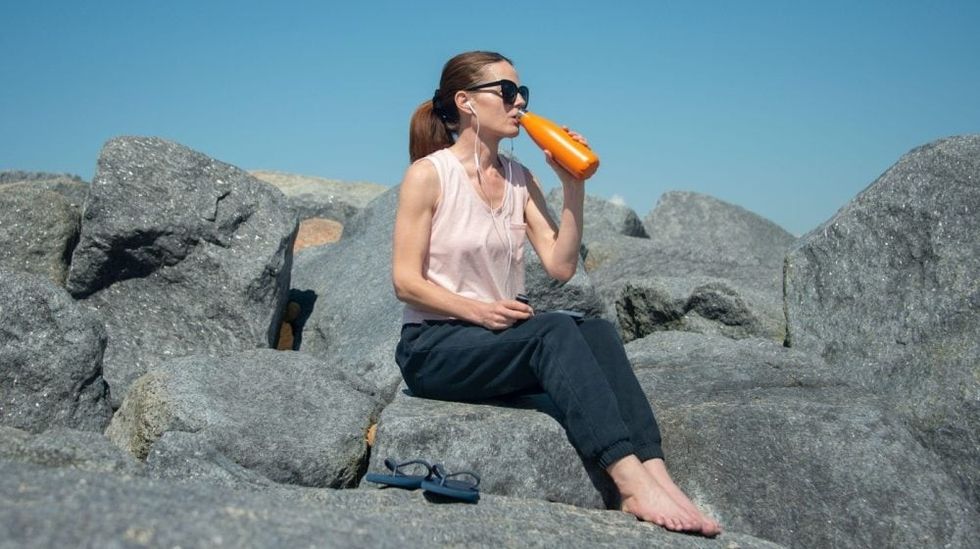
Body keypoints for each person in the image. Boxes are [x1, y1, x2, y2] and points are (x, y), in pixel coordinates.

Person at [390, 50, 721, 536]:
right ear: (465, 101)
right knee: (552, 332)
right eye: (507, 91)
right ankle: (629, 483)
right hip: (433, 348)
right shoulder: (429, 175)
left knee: (598, 332)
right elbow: (406, 282)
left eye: (523, 92)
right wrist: (480, 311)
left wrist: (572, 186)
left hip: (493, 339)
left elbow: (561, 266)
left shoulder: (520, 179)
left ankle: (656, 473)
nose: (520, 102)